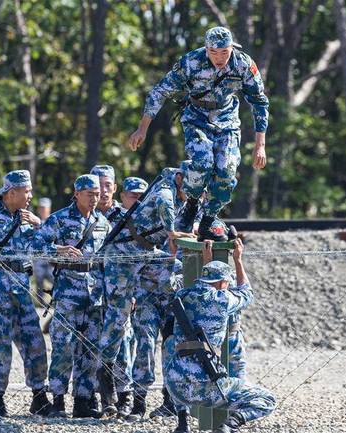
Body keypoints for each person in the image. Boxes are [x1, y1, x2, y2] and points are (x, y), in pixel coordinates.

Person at [0, 170, 79, 417]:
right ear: (12, 193)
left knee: (34, 342)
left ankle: (39, 397)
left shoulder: (25, 218)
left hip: (21, 286)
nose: (31, 196)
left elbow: (38, 245)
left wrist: (43, 230)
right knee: (0, 345)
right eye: (27, 191)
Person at [127, 26, 269, 241]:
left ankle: (209, 219)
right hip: (197, 118)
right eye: (214, 52)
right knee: (203, 162)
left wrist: (260, 145)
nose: (219, 58)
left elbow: (259, 101)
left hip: (227, 119)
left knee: (227, 173)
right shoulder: (191, 62)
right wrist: (142, 128)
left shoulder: (243, 64)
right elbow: (160, 91)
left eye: (224, 52)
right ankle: (191, 204)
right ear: (206, 49)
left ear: (232, 48)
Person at [97, 163, 195, 417]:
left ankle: (166, 399)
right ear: (181, 178)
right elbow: (165, 207)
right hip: (123, 255)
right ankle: (105, 371)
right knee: (118, 318)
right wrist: (173, 231)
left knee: (178, 267)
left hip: (147, 254)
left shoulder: (181, 192)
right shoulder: (165, 191)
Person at [163, 239, 275, 433]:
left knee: (172, 344)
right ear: (223, 283)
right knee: (267, 400)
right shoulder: (221, 300)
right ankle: (230, 426)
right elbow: (247, 293)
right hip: (205, 384)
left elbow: (196, 285)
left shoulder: (181, 295)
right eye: (226, 283)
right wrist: (238, 260)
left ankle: (182, 423)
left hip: (175, 384)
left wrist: (208, 264)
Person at [36, 174, 111, 418]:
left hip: (95, 293)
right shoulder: (59, 219)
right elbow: (34, 245)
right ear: (77, 193)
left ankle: (83, 401)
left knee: (90, 349)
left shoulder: (103, 222)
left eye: (97, 194)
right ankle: (57, 401)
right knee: (63, 347)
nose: (94, 199)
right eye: (90, 194)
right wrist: (60, 250)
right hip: (68, 291)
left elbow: (109, 259)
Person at [90, 165, 135, 417]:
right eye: (98, 185)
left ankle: (124, 396)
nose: (103, 190)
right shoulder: (83, 215)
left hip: (120, 293)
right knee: (88, 344)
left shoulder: (126, 217)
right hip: (89, 293)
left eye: (108, 185)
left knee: (124, 342)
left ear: (115, 188)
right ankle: (93, 398)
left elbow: (138, 257)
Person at [33, 197, 54, 304]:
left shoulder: (53, 222)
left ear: (49, 209)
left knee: (54, 280)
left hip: (51, 259)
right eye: (41, 208)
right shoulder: (34, 223)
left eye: (44, 208)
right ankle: (41, 303)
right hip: (39, 259)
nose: (42, 210)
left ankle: (56, 300)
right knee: (39, 281)